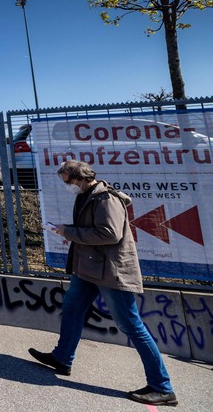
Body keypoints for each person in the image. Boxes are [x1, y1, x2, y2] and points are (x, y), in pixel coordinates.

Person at [29, 160, 176, 406]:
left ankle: (162, 387)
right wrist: (68, 231)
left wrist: (70, 233)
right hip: (88, 269)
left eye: (67, 180)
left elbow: (110, 234)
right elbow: (91, 229)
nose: (66, 185)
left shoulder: (106, 199)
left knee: (131, 326)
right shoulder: (87, 196)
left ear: (80, 178)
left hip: (110, 271)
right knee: (73, 309)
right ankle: (62, 358)